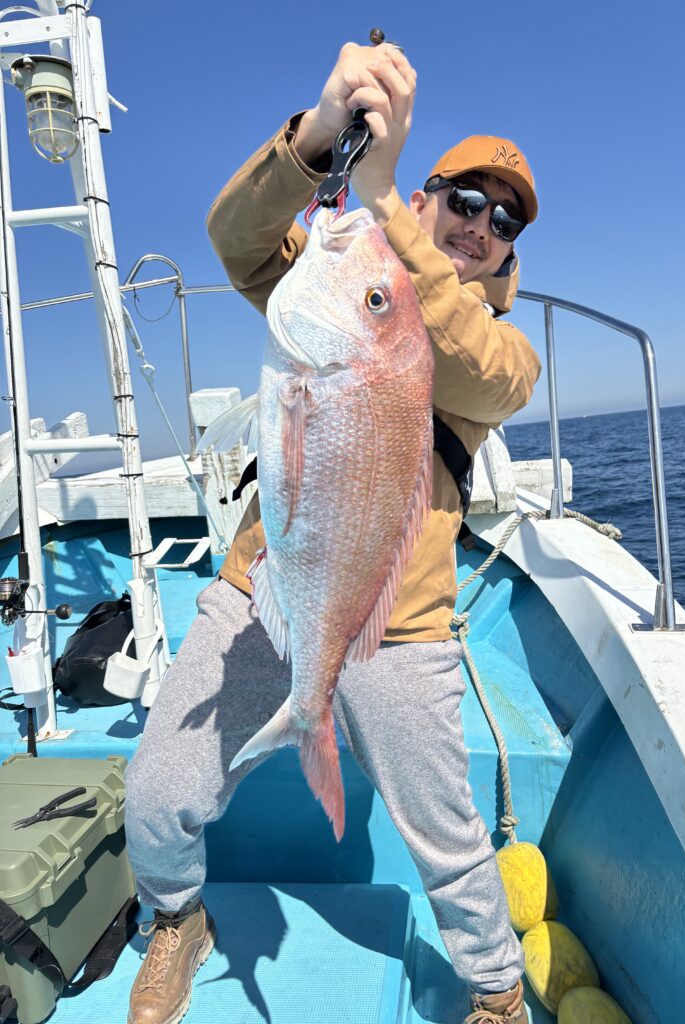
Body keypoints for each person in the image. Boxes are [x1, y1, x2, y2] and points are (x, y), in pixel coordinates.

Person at [125, 41, 541, 1024]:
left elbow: (473, 365)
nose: (482, 222)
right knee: (155, 791)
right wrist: (317, 139)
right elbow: (236, 237)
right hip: (268, 585)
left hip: (403, 622)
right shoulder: (341, 284)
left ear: (511, 251)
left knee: (448, 835)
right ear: (430, 199)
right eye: (464, 199)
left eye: (505, 217)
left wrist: (389, 205)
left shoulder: (494, 347)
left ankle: (495, 987)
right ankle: (179, 921)